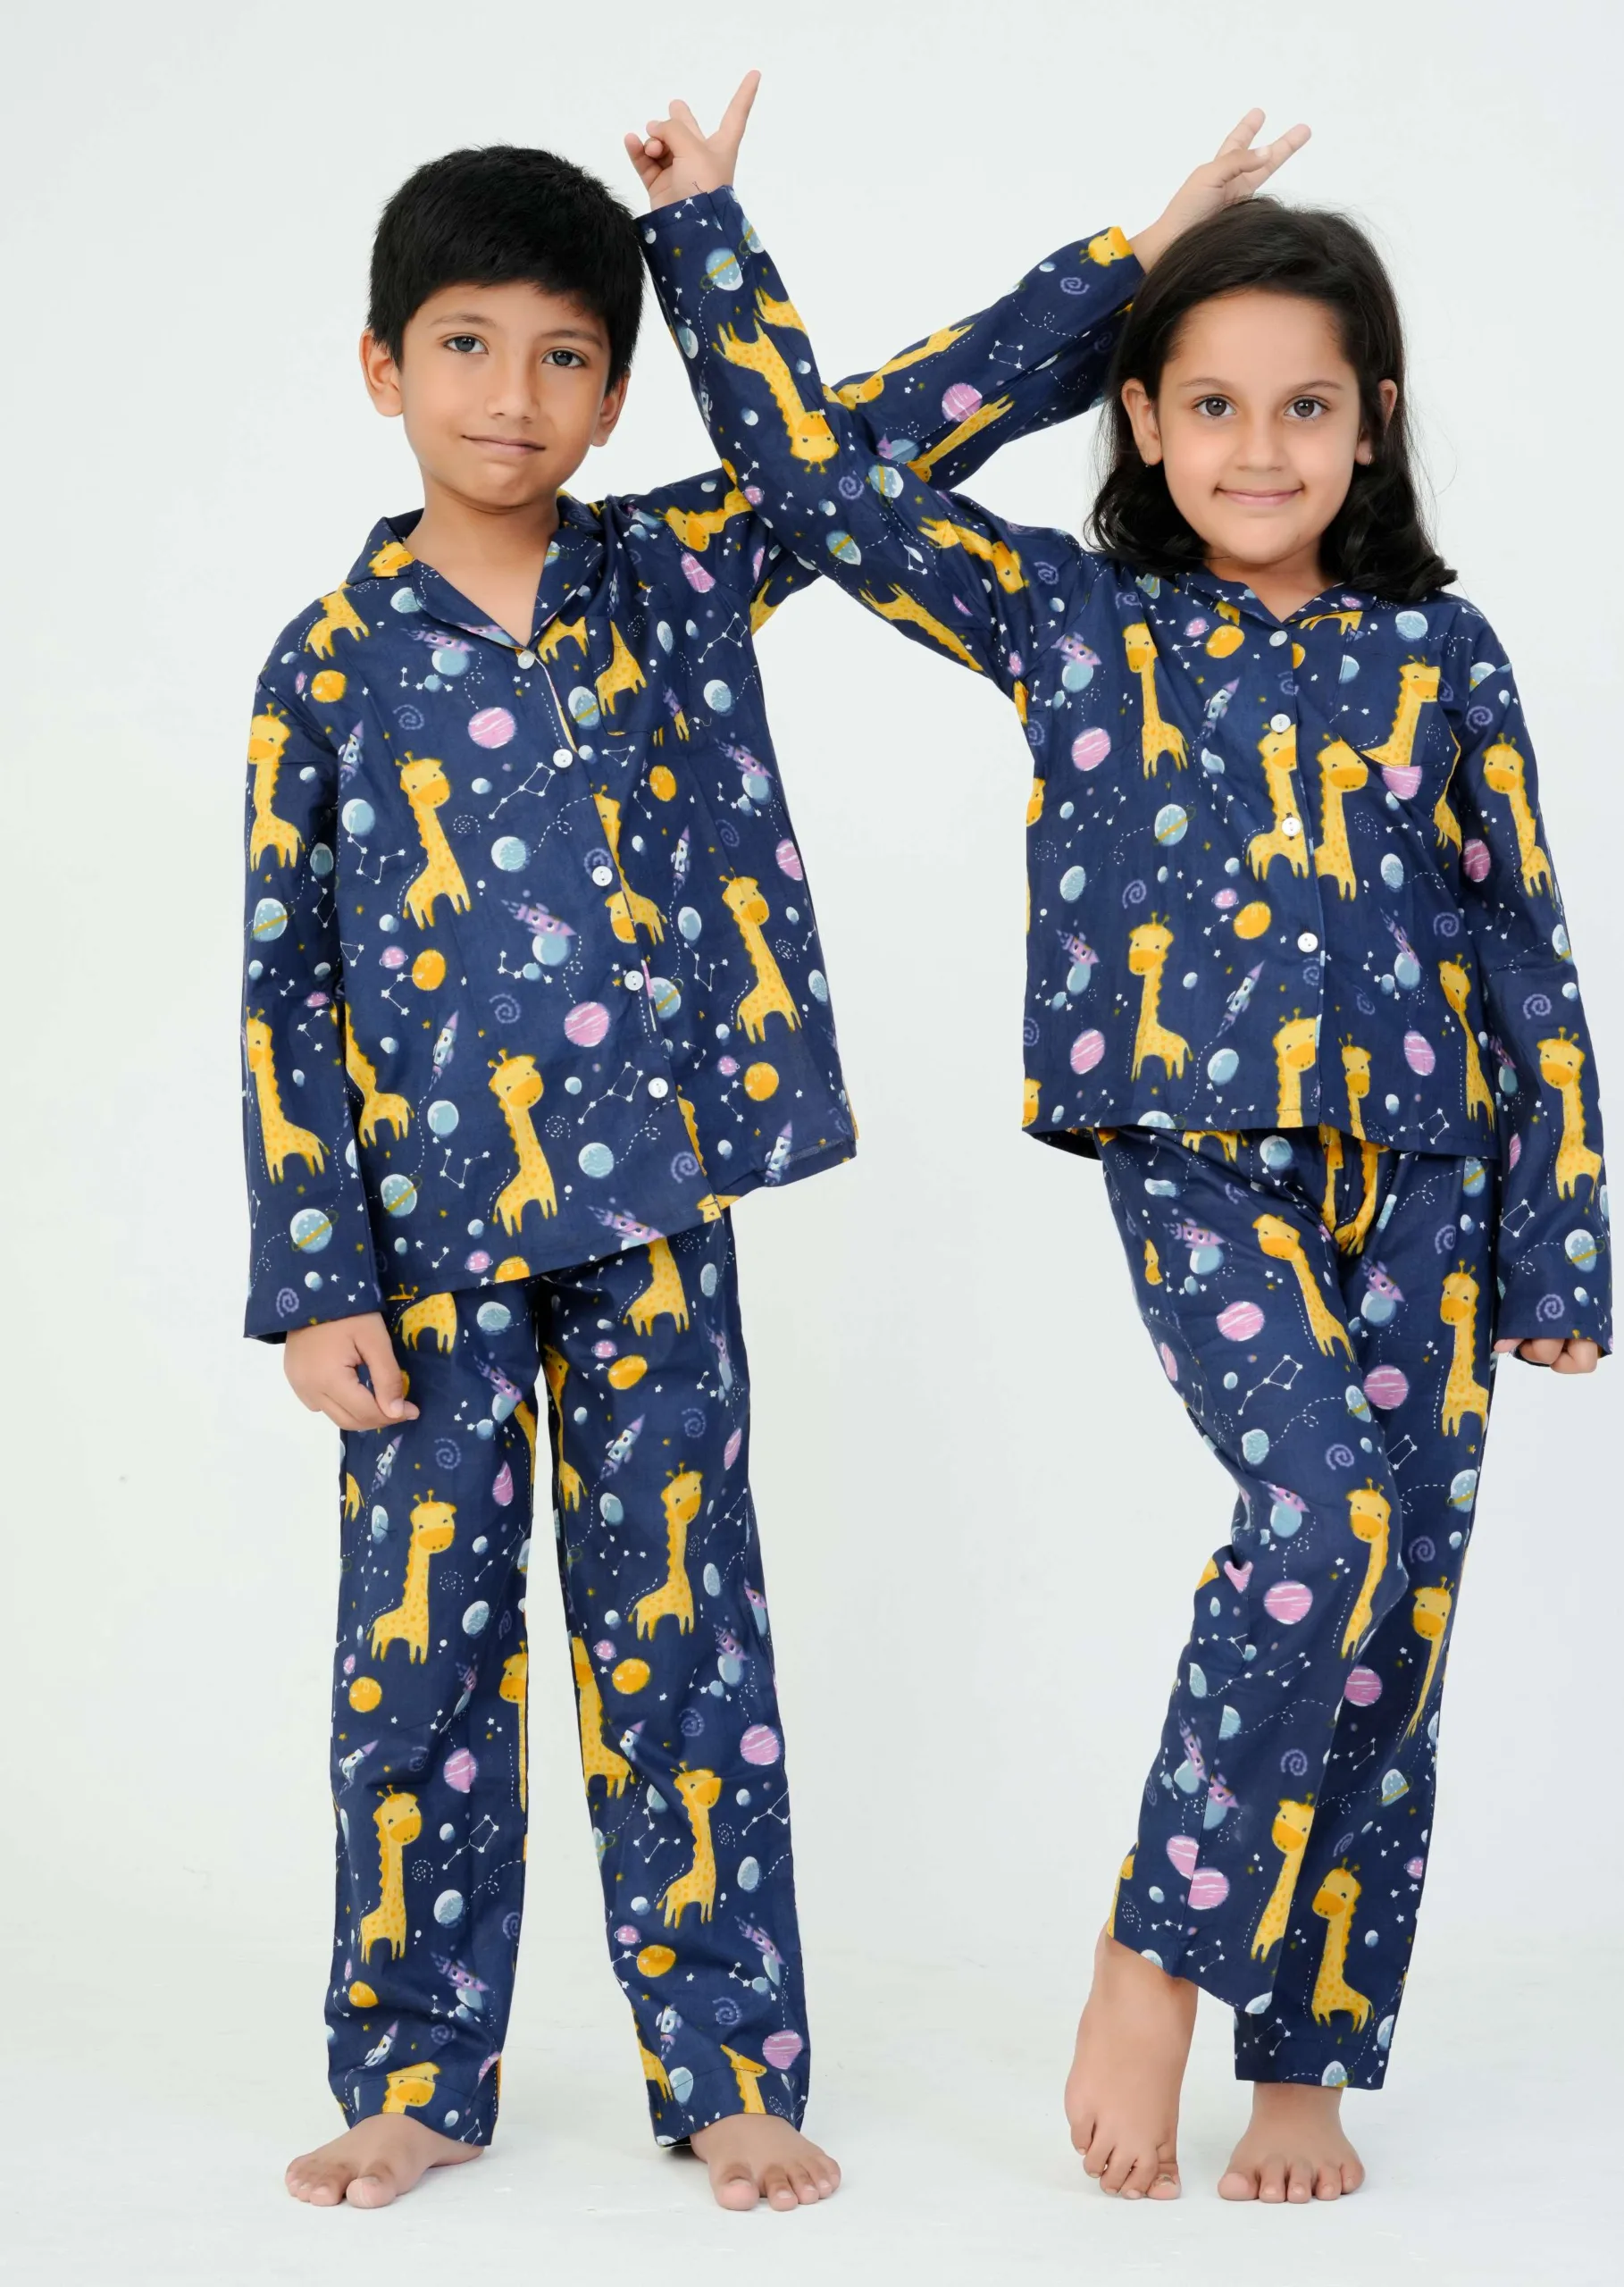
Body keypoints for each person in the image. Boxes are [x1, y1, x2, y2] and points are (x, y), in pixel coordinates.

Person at [638, 105, 1611, 2206]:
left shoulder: (1443, 655)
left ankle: (1306, 2060)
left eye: (1306, 405)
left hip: (1433, 1177)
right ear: (1145, 420)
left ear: (1372, 421)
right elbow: (816, 481)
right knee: (1319, 1507)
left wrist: (1561, 1246)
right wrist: (730, 235)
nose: (1259, 445)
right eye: (1211, 402)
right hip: (1193, 1151)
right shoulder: (1069, 618)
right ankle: (1157, 1944)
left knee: (1391, 1612)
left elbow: (1520, 942)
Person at [247, 109, 1151, 2213]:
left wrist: (1113, 256)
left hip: (657, 1204)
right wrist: (314, 1279)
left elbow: (892, 426)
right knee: (416, 1667)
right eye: (465, 346)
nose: (513, 395)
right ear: (381, 366)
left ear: (618, 391)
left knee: (687, 1647)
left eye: (566, 355)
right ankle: (413, 2074)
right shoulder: (326, 663)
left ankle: (729, 2068)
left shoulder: (674, 566)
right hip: (421, 1253)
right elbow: (284, 985)